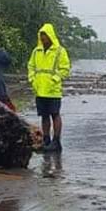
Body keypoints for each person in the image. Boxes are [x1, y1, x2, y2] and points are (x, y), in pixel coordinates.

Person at [27, 23, 71, 152]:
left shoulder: (59, 51)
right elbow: (31, 66)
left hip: (53, 90)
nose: (43, 38)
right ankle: (46, 139)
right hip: (40, 89)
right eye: (41, 36)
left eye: (45, 36)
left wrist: (55, 79)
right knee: (44, 115)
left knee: (55, 114)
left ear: (50, 36)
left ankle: (56, 141)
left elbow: (65, 68)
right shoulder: (36, 51)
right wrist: (32, 79)